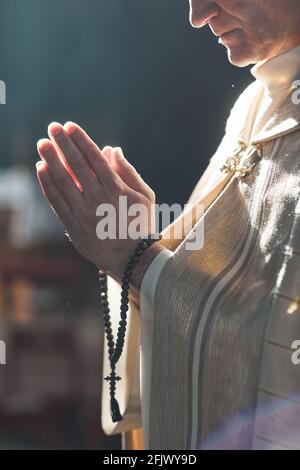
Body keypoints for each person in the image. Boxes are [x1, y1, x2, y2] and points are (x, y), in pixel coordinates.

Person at [36, 0, 300, 450]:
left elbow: (280, 347)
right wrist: (148, 244)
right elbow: (232, 287)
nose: (198, 15)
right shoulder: (256, 105)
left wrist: (132, 257)